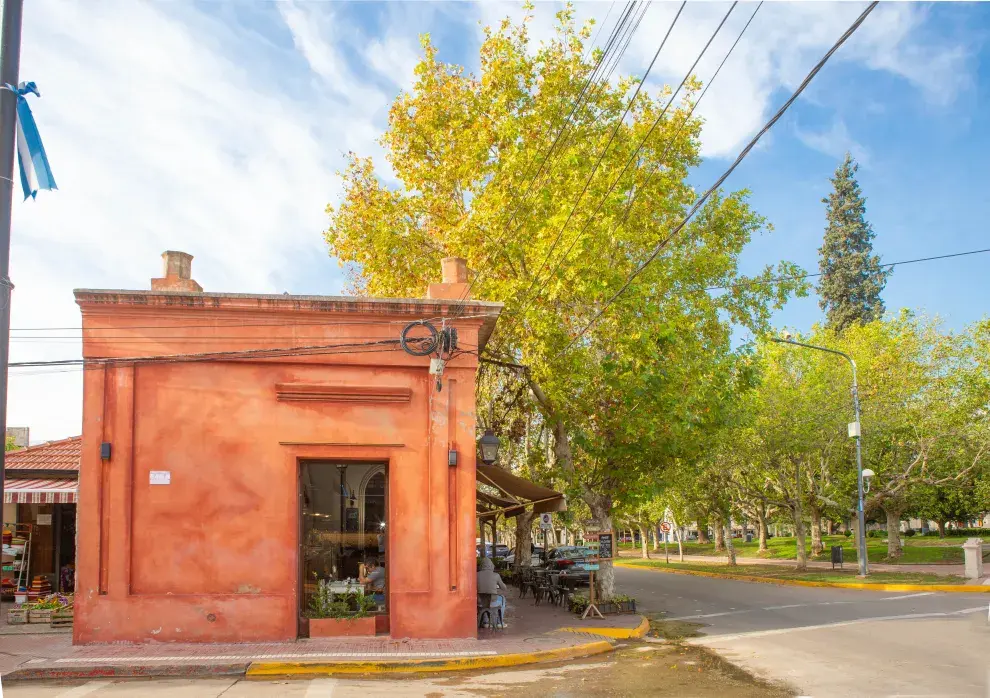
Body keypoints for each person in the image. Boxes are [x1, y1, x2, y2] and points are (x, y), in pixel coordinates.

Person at [477, 557, 507, 624]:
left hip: (479, 601)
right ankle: (499, 622)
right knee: (502, 599)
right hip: (492, 600)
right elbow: (504, 588)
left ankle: (485, 621)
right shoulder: (496, 575)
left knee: (483, 605)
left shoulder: (476, 575)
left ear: (481, 566)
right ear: (492, 565)